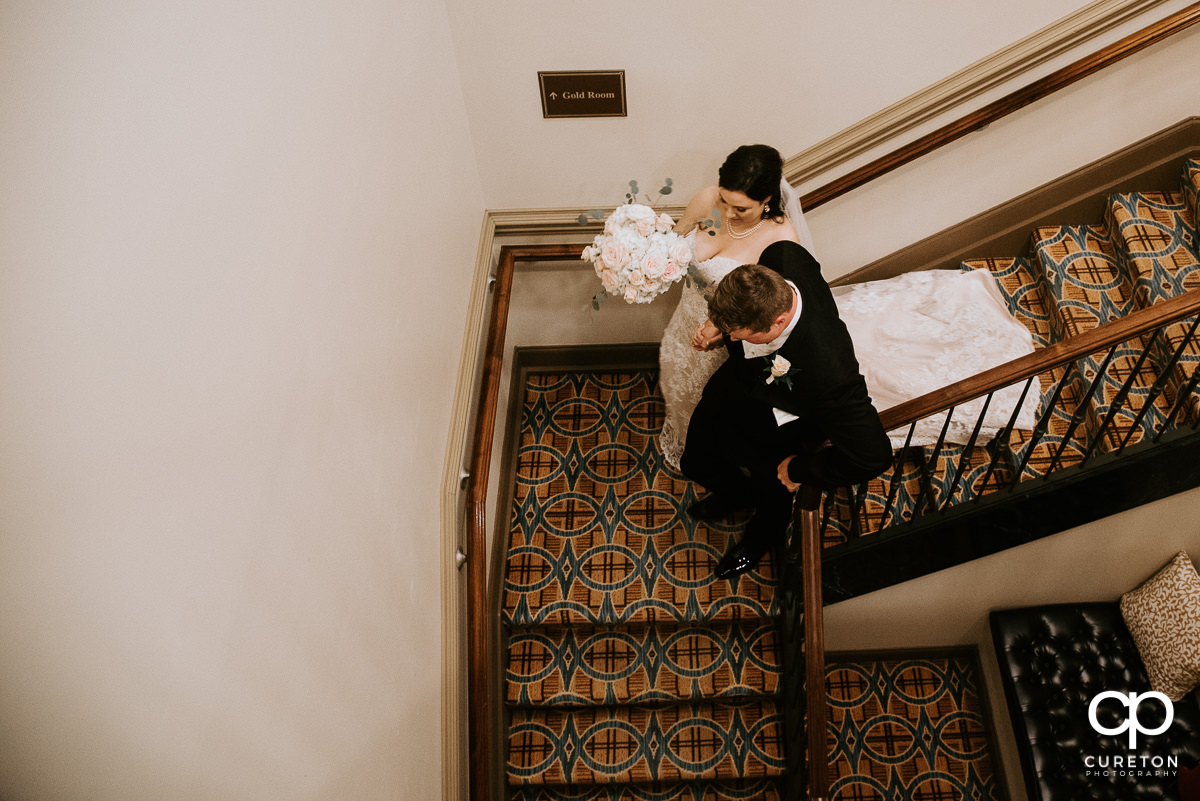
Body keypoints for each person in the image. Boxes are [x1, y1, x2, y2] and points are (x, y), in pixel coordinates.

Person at [658, 145, 1040, 470]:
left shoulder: (782, 244)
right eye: (724, 201)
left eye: (740, 208)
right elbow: (676, 239)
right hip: (692, 317)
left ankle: (728, 451)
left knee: (736, 403)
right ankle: (703, 445)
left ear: (767, 201)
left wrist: (723, 328)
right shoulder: (708, 199)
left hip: (741, 332)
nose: (726, 213)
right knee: (694, 394)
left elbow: (768, 305)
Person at [680, 244, 893, 578]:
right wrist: (720, 327)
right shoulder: (782, 257)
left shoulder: (831, 375)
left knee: (771, 492)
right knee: (695, 459)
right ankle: (737, 494)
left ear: (778, 321)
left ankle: (760, 538)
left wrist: (798, 468)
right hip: (736, 386)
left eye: (739, 332)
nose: (733, 338)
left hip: (782, 424)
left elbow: (872, 456)